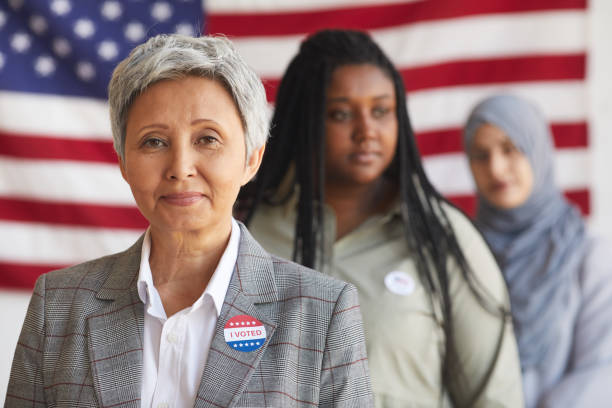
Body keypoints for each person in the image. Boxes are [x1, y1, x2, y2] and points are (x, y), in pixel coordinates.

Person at [5, 34, 374, 408]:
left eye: (208, 139)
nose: (180, 169)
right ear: (123, 162)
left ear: (251, 159)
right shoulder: (58, 305)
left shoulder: (323, 312)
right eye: (154, 142)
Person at [239, 29, 523, 407]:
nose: (366, 131)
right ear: (303, 119)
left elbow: (495, 397)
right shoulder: (244, 227)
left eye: (380, 111)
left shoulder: (441, 237)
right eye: (341, 113)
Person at [463, 94, 612, 408]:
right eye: (481, 154)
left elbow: (602, 370)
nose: (496, 167)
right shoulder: (461, 256)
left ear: (538, 150)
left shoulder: (587, 256)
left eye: (510, 148)